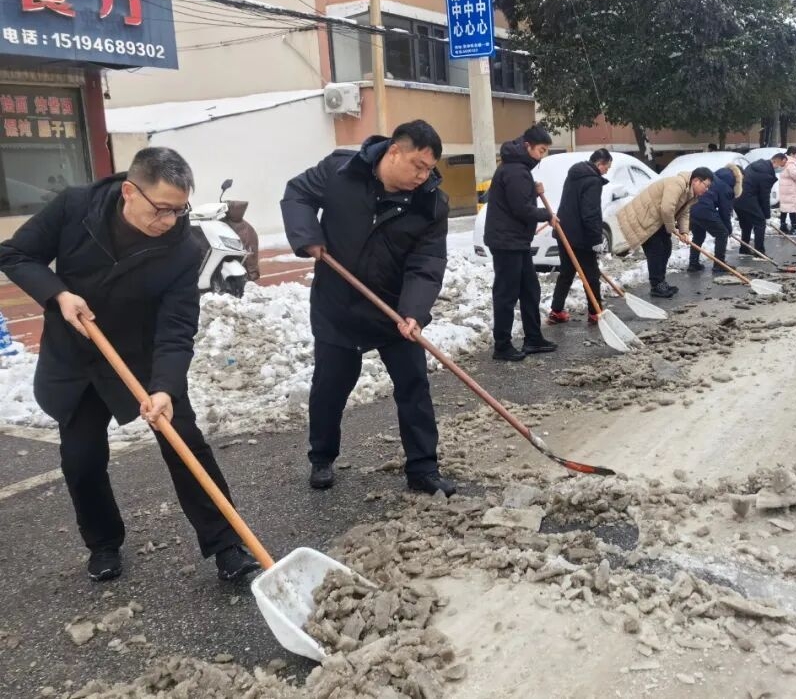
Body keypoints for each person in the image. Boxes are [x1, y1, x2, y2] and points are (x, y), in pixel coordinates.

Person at [0, 147, 259, 583]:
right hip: (77, 354)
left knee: (185, 443)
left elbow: (177, 328)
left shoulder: (182, 250)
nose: (170, 221)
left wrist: (165, 387)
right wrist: (58, 295)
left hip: (140, 358)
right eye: (161, 209)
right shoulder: (76, 206)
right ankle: (103, 543)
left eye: (180, 210)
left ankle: (227, 545)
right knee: (81, 459)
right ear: (129, 192)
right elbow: (15, 255)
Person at [281, 120, 456, 497]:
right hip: (338, 304)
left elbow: (426, 263)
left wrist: (413, 312)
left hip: (393, 310)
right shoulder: (340, 171)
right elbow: (297, 194)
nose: (424, 176)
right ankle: (322, 457)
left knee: (413, 386)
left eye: (429, 169)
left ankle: (423, 468)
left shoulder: (431, 204)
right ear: (394, 151)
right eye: (418, 165)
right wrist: (308, 236)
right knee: (330, 386)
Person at [483, 125, 558, 362]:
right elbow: (520, 209)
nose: (542, 156)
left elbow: (517, 198)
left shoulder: (518, 168)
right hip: (506, 242)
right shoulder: (516, 170)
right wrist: (546, 215)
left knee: (529, 289)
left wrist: (533, 192)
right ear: (527, 146)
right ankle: (502, 346)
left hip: (516, 241)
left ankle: (533, 338)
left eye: (546, 151)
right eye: (541, 150)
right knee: (506, 293)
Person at [615, 167, 714, 298]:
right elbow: (667, 209)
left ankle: (661, 282)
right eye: (705, 186)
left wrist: (684, 231)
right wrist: (671, 228)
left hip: (658, 220)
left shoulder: (690, 193)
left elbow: (684, 212)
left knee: (666, 248)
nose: (706, 190)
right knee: (656, 251)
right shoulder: (677, 183)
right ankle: (656, 286)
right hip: (646, 218)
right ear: (696, 181)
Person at [548, 149, 612, 326]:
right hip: (581, 236)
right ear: (600, 164)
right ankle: (595, 312)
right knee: (591, 274)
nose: (607, 171)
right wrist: (596, 240)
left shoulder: (575, 174)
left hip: (564, 233)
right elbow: (590, 213)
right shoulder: (592, 180)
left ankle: (556, 310)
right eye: (607, 167)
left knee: (567, 272)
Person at [687, 164, 743, 275]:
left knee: (698, 236)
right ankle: (719, 265)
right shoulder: (726, 187)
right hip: (704, 209)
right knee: (722, 234)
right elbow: (724, 212)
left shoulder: (714, 177)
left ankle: (693, 264)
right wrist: (728, 230)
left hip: (692, 208)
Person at [734, 153, 785, 256]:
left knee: (746, 224)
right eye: (781, 165)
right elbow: (764, 196)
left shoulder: (756, 165)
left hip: (737, 197)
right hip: (747, 198)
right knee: (760, 222)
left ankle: (744, 248)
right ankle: (759, 251)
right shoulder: (766, 174)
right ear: (775, 161)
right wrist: (766, 214)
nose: (781, 168)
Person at [777, 145, 796, 234]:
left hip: (786, 188)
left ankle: (783, 225)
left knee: (785, 208)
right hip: (791, 189)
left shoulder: (786, 161)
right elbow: (795, 175)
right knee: (792, 208)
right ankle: (794, 227)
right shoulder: (791, 163)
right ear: (792, 153)